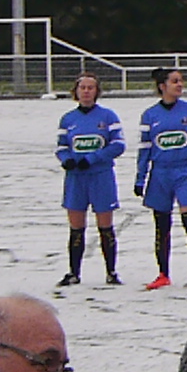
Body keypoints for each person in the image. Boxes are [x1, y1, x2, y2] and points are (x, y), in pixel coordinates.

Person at [136, 67, 187, 289]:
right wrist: (140, 178)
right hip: (160, 173)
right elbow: (144, 149)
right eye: (175, 81)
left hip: (185, 170)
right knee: (161, 224)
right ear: (162, 86)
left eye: (181, 81)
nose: (180, 85)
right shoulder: (150, 115)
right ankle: (163, 273)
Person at [55, 72, 125, 286]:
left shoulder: (108, 117)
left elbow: (118, 145)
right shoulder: (68, 119)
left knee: (105, 225)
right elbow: (61, 146)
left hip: (101, 176)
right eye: (82, 87)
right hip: (76, 179)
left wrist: (93, 158)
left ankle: (111, 272)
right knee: (76, 226)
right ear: (76, 91)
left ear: (97, 91)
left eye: (90, 87)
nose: (86, 91)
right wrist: (66, 159)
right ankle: (74, 272)